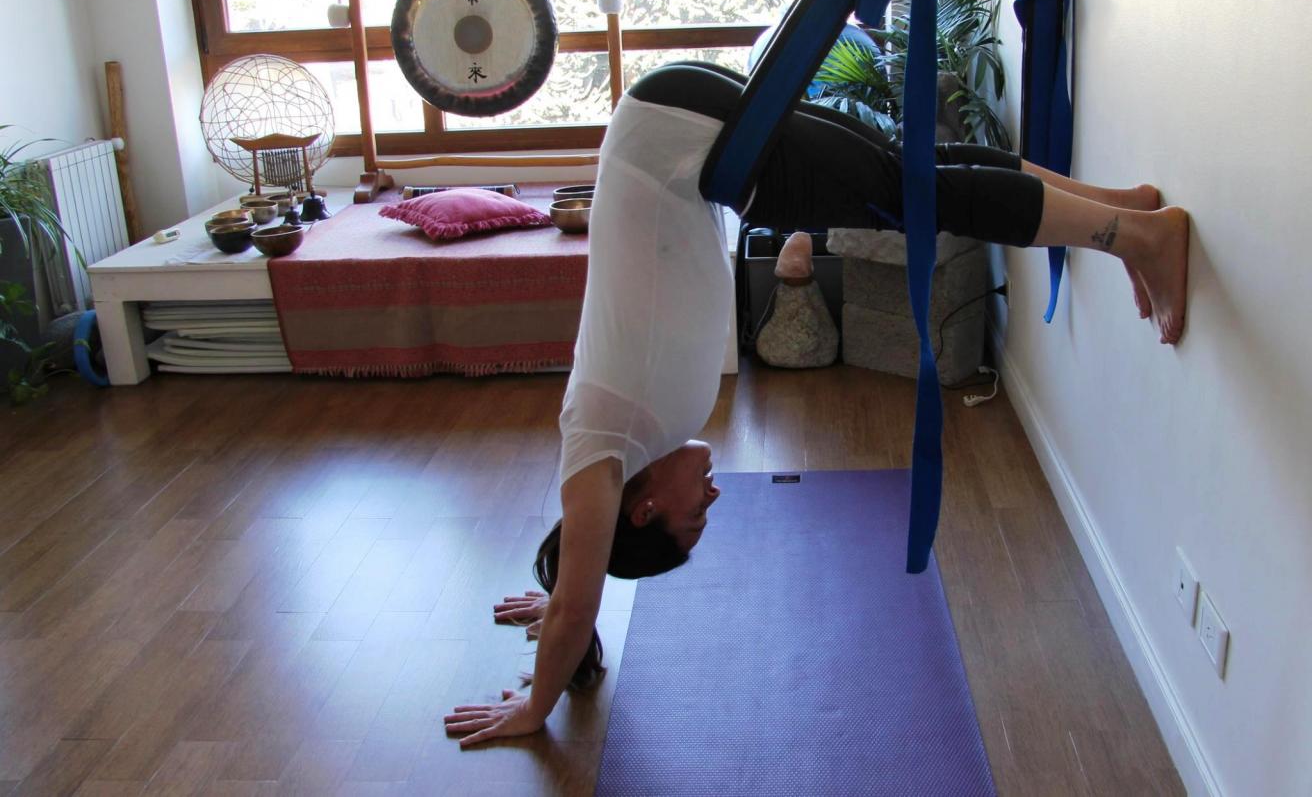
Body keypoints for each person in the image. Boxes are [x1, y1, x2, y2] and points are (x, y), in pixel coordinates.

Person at [443, 61, 1190, 747]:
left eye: (694, 516)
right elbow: (580, 587)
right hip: (676, 123)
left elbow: (577, 606)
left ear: (643, 510)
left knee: (914, 197)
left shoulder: (599, 446)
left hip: (681, 136)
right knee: (912, 175)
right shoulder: (635, 446)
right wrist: (567, 589)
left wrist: (535, 705)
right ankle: (1122, 209)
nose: (711, 500)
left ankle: (1137, 237)